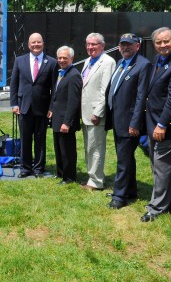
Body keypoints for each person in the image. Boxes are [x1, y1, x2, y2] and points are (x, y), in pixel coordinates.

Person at [140, 27, 171, 222]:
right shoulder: (158, 60)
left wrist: (162, 124)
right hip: (153, 123)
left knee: (163, 168)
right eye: (158, 42)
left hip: (167, 126)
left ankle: (156, 208)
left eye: (166, 41)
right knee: (157, 166)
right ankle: (166, 201)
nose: (162, 45)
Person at [105, 33, 150, 209]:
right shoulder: (121, 62)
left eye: (129, 45)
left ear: (137, 46)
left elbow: (141, 97)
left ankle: (119, 196)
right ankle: (130, 190)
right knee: (126, 157)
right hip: (117, 119)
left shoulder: (143, 65)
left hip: (129, 121)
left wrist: (135, 122)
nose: (125, 48)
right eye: (122, 45)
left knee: (123, 160)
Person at [10, 33, 58, 178]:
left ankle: (38, 168)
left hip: (42, 109)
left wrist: (52, 107)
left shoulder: (51, 62)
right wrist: (14, 104)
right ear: (28, 44)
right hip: (23, 107)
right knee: (25, 139)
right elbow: (14, 84)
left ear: (43, 43)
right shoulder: (20, 61)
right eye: (33, 43)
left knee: (40, 140)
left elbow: (55, 87)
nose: (36, 45)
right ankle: (25, 167)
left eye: (38, 42)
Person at [79, 33, 115, 192]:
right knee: (89, 147)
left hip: (95, 114)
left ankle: (96, 182)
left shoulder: (108, 62)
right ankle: (91, 176)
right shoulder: (88, 61)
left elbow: (105, 90)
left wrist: (98, 112)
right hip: (85, 112)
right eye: (88, 44)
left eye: (94, 44)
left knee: (96, 149)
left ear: (103, 45)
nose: (90, 47)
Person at [48, 46, 82, 184]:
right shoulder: (60, 73)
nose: (61, 60)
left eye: (65, 58)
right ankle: (61, 172)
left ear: (72, 58)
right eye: (59, 58)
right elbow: (55, 94)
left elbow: (74, 102)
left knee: (67, 151)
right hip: (57, 117)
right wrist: (51, 108)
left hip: (65, 120)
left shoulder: (73, 75)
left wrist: (67, 122)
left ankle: (69, 177)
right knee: (58, 148)